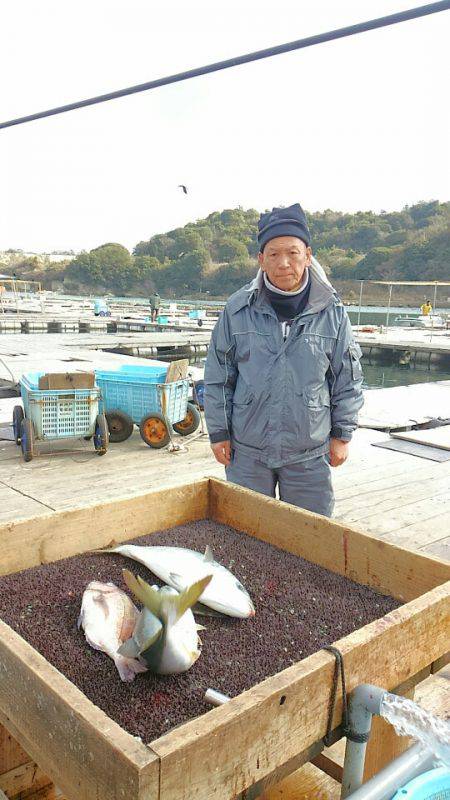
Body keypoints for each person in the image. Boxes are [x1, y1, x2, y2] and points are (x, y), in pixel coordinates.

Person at [203, 203, 364, 518]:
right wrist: (219, 432)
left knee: (312, 540)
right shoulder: (237, 309)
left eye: (292, 252)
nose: (284, 263)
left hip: (308, 453)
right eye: (273, 254)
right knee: (245, 533)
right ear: (261, 260)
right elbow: (219, 376)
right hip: (247, 452)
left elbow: (348, 377)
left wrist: (342, 434)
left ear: (307, 254)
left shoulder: (331, 312)